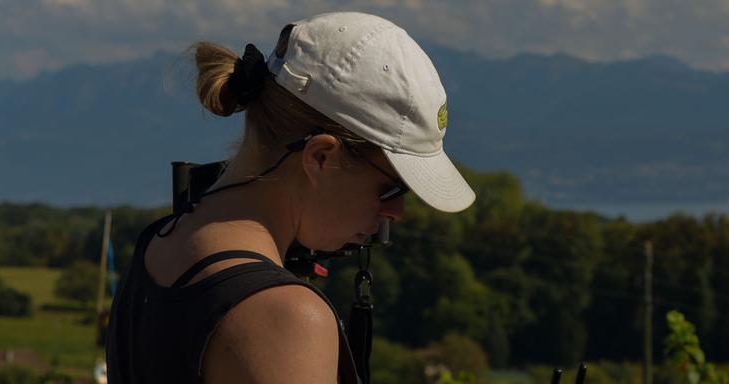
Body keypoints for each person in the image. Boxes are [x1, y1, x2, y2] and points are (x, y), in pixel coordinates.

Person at [106, 11, 475, 384]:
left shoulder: (155, 246)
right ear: (320, 158)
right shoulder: (287, 317)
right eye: (392, 187)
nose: (396, 213)